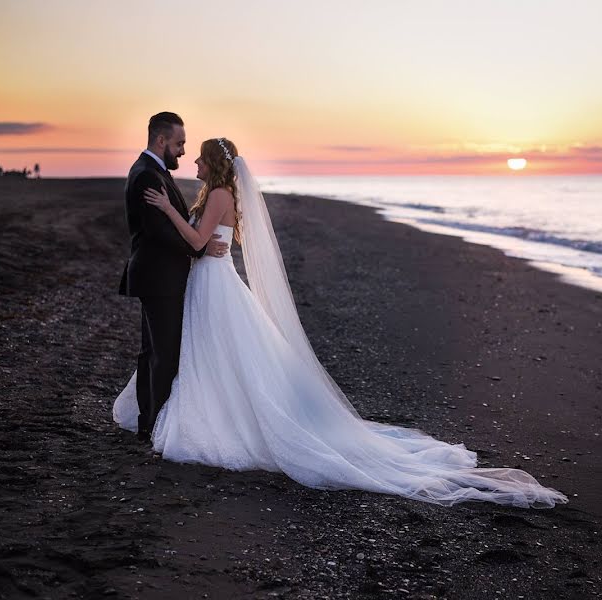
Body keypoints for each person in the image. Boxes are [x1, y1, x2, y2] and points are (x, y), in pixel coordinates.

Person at [114, 137, 567, 508]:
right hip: (208, 283)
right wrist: (196, 236)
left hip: (215, 285)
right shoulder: (214, 193)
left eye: (198, 156)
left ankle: (219, 421)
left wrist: (172, 212)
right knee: (212, 357)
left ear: (213, 163)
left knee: (222, 356)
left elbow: (196, 239)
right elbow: (203, 242)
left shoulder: (215, 195)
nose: (191, 159)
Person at [118, 112, 228, 441]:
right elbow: (159, 231)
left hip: (158, 276)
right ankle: (156, 426)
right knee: (163, 354)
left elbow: (168, 226)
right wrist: (199, 247)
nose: (183, 151)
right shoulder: (147, 176)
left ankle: (149, 422)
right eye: (179, 143)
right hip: (159, 277)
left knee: (154, 351)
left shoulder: (153, 171)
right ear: (161, 140)